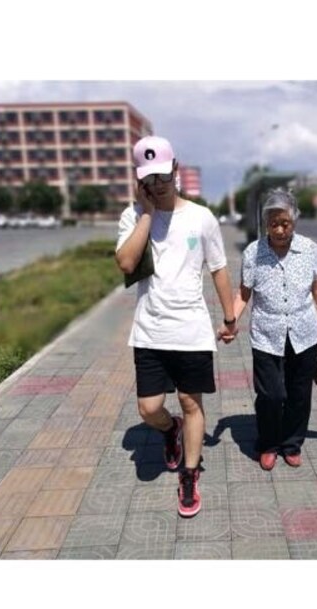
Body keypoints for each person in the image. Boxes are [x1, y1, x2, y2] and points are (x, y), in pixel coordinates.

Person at [115, 135, 237, 517]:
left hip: (191, 329)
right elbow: (126, 263)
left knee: (190, 401)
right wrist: (147, 214)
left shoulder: (201, 217)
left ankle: (189, 473)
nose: (158, 184)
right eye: (149, 179)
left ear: (175, 168)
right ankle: (171, 430)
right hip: (150, 329)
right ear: (139, 179)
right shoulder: (133, 216)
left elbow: (218, 268)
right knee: (148, 408)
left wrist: (229, 317)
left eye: (163, 176)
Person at [218, 188, 317, 470]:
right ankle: (268, 443)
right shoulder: (254, 252)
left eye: (285, 223)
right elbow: (244, 294)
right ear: (265, 223)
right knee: (271, 395)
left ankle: (291, 443)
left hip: (304, 333)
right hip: (266, 334)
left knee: (299, 393)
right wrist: (230, 322)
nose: (279, 229)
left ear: (294, 221)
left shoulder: (308, 249)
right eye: (273, 223)